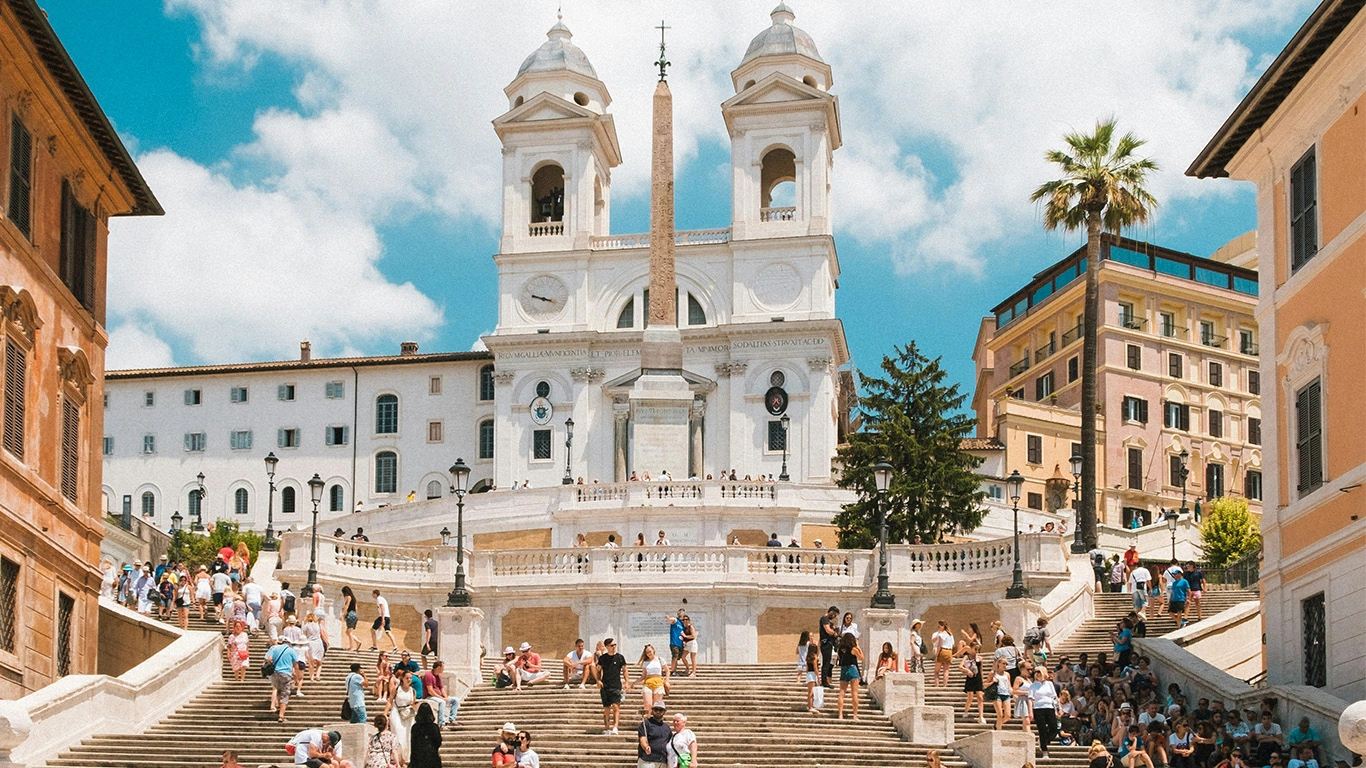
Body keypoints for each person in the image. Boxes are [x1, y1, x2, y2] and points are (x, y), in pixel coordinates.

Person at [598, 638, 631, 736]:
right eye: (612, 645)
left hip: (616, 685)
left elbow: (625, 670)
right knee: (606, 708)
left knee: (616, 706)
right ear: (607, 647)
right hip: (605, 686)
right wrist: (598, 680)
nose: (614, 647)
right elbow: (598, 669)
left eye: (615, 645)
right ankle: (607, 728)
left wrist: (627, 682)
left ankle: (615, 727)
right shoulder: (603, 658)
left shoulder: (620, 657)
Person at [265, 635, 299, 721]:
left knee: (279, 691)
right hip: (285, 673)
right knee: (285, 693)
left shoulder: (275, 649)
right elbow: (295, 664)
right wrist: (296, 677)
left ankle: (278, 708)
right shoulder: (291, 650)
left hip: (275, 673)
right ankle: (281, 715)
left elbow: (269, 659)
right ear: (289, 643)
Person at [387, 670, 418, 761]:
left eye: (410, 678)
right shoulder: (397, 689)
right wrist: (385, 714)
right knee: (398, 735)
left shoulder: (413, 691)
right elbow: (390, 701)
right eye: (407, 678)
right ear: (402, 678)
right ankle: (398, 759)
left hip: (408, 715)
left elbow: (413, 703)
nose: (409, 680)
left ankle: (406, 759)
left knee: (408, 736)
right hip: (397, 713)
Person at [1029, 666, 1059, 759]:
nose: (1037, 674)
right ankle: (1044, 751)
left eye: (1039, 672)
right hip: (1038, 708)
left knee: (1054, 728)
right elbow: (1030, 699)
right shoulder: (1033, 685)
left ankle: (1044, 741)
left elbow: (1054, 697)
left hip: (1049, 707)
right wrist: (1031, 711)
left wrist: (1059, 708)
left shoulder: (1049, 684)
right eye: (1036, 672)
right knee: (1042, 730)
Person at [835, 633, 864, 720]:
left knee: (842, 692)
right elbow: (862, 658)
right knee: (854, 693)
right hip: (852, 668)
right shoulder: (853, 649)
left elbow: (840, 658)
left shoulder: (840, 650)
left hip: (844, 669)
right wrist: (858, 646)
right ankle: (855, 715)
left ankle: (840, 714)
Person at [422, 660, 458, 728]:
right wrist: (442, 698)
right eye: (443, 667)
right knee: (442, 702)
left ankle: (452, 719)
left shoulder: (438, 676)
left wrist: (446, 697)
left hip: (438, 696)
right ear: (439, 667)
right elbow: (430, 691)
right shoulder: (428, 675)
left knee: (455, 700)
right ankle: (441, 723)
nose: (443, 669)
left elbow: (442, 688)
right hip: (430, 696)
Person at [409, 702, 442, 768]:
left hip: (418, 756)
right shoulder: (434, 727)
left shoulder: (415, 727)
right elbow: (438, 742)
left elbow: (413, 744)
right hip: (432, 755)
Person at [960, 639, 985, 724]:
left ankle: (981, 716)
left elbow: (981, 670)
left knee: (980, 697)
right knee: (970, 697)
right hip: (970, 678)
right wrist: (967, 670)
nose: (976, 651)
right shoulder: (967, 657)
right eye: (975, 649)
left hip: (978, 678)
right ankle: (966, 711)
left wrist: (982, 680)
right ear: (971, 648)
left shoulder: (980, 658)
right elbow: (960, 666)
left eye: (978, 649)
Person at [638, 702, 671, 767]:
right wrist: (646, 747)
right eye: (656, 709)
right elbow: (642, 739)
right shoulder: (646, 724)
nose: (658, 712)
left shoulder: (667, 727)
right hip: (648, 760)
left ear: (664, 712)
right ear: (652, 711)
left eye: (661, 710)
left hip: (662, 761)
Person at [639, 644, 669, 712]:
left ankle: (655, 718)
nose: (649, 653)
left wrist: (667, 681)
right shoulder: (645, 662)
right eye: (647, 652)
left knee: (657, 706)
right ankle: (648, 718)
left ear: (653, 650)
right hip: (648, 683)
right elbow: (643, 676)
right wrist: (633, 683)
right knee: (648, 704)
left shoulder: (660, 659)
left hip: (658, 682)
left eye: (650, 651)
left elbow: (667, 670)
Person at [819, 606, 839, 687]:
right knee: (826, 663)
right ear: (831, 612)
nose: (834, 617)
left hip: (828, 643)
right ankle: (824, 681)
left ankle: (825, 680)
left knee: (827, 662)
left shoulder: (828, 621)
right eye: (834, 614)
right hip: (826, 643)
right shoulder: (825, 619)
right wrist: (834, 633)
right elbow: (828, 630)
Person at [931, 620, 954, 687]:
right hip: (949, 651)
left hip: (942, 651)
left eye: (939, 626)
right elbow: (953, 644)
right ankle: (944, 686)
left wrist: (936, 656)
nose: (938, 627)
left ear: (943, 626)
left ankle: (937, 686)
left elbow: (939, 645)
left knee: (936, 671)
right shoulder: (950, 634)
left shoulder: (941, 634)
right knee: (946, 670)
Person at [666, 609, 687, 676]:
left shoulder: (682, 624)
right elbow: (671, 620)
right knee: (674, 657)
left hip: (680, 644)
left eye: (682, 612)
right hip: (674, 643)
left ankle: (674, 670)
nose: (680, 613)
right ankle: (672, 671)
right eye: (679, 612)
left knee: (677, 658)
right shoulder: (675, 620)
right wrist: (668, 618)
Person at [340, 586, 361, 651]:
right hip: (354, 615)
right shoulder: (354, 599)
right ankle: (357, 641)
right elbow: (356, 608)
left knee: (349, 632)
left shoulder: (349, 597)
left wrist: (342, 614)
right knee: (348, 632)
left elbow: (347, 606)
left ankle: (351, 646)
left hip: (350, 614)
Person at [804, 644, 821, 713]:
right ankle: (811, 706)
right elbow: (815, 667)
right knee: (811, 692)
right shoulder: (815, 657)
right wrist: (818, 676)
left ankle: (809, 705)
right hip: (813, 674)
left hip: (809, 674)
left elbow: (807, 668)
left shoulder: (808, 657)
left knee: (810, 691)